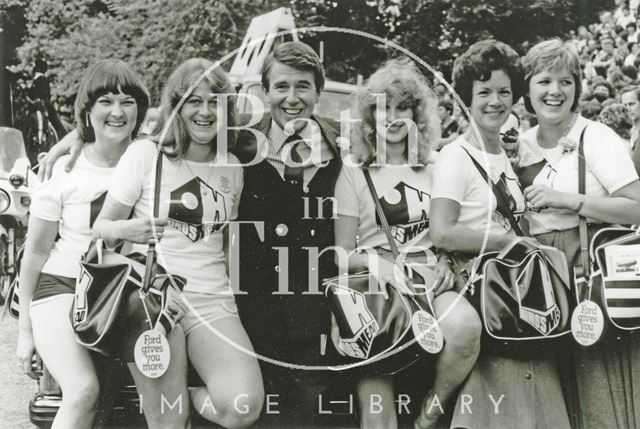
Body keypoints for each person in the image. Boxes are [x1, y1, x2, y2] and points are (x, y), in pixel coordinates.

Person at [15, 59, 190, 429]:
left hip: (131, 289)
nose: (117, 111)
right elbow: (36, 252)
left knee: (162, 405)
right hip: (64, 285)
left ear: (140, 110)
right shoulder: (61, 171)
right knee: (81, 391)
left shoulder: (154, 157)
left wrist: (73, 135)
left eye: (127, 101)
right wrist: (25, 332)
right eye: (105, 101)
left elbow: (189, 112)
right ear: (87, 109)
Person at [91, 58, 264, 428]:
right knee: (168, 422)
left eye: (214, 102)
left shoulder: (231, 165)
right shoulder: (145, 155)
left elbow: (223, 242)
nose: (204, 111)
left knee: (242, 408)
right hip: (152, 301)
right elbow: (101, 226)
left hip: (212, 301)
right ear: (176, 105)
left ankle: (179, 397)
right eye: (193, 101)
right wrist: (128, 230)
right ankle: (170, 407)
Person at [429, 39, 572, 428]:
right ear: (465, 99)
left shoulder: (503, 156)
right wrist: (508, 242)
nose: (495, 102)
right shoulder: (455, 156)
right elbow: (442, 232)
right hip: (484, 294)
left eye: (504, 92)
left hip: (514, 295)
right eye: (484, 92)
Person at [333, 58, 481, 429]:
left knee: (464, 328)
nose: (394, 117)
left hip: (429, 276)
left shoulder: (437, 164)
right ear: (369, 118)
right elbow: (341, 256)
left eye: (403, 108)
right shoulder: (353, 171)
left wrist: (447, 258)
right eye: (384, 109)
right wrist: (377, 266)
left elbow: (450, 230)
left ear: (418, 115)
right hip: (376, 287)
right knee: (377, 406)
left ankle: (429, 413)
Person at [519, 38, 640, 429]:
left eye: (565, 81)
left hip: (587, 266)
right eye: (544, 81)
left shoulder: (597, 137)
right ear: (528, 88)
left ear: (577, 88)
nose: (555, 91)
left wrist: (568, 200)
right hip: (540, 274)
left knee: (598, 384)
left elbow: (636, 206)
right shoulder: (518, 145)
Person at [231, 41, 344, 427]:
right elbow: (174, 146)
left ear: (318, 91)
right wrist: (77, 138)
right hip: (254, 313)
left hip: (319, 313)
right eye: (281, 86)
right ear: (265, 91)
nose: (291, 98)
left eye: (303, 86)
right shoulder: (239, 144)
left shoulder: (344, 145)